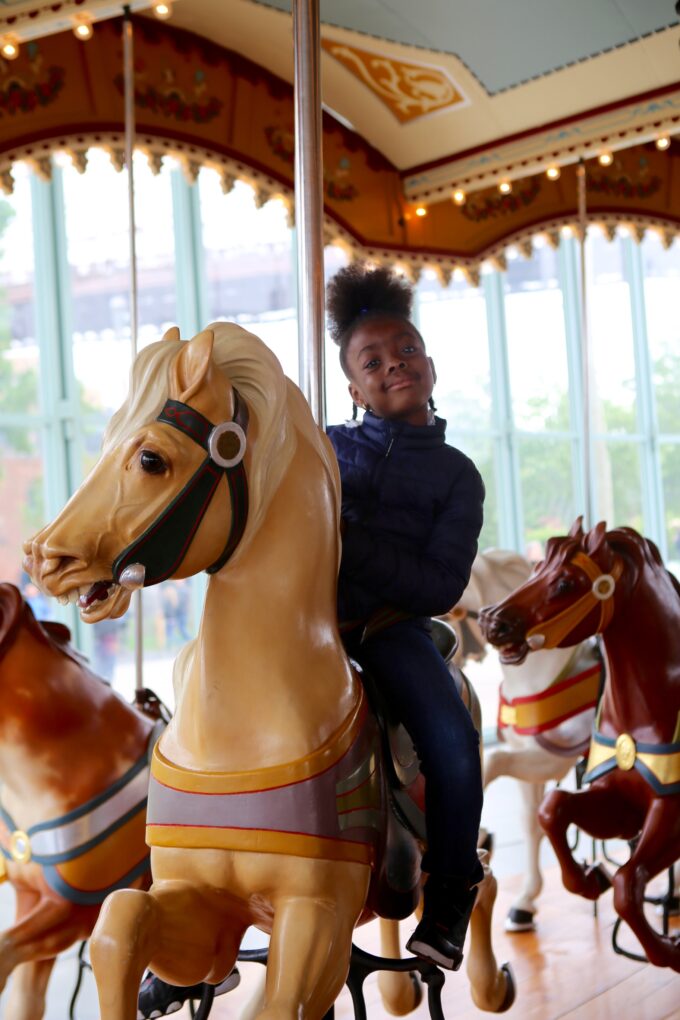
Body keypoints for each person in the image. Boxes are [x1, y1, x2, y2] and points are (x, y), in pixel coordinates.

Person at [325, 262, 485, 971]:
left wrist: (353, 545)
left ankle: (451, 891)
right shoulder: (324, 447)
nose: (396, 364)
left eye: (407, 350)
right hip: (310, 626)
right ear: (352, 387)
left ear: (431, 363)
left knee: (451, 739)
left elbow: (439, 583)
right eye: (374, 360)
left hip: (389, 630)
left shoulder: (456, 475)